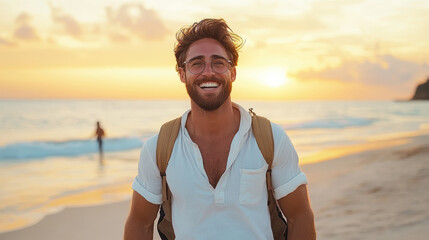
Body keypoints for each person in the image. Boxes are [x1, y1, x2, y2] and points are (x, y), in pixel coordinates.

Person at [124, 18, 316, 239]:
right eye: (197, 63)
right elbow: (140, 223)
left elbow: (300, 216)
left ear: (232, 73)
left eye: (218, 62)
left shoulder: (271, 139)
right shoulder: (158, 148)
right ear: (182, 74)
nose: (208, 72)